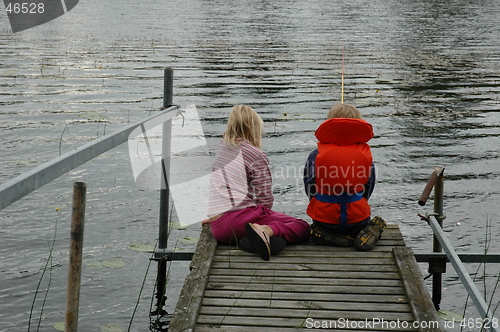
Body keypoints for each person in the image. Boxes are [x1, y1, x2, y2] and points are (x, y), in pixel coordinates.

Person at [203, 105, 310, 260]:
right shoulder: (256, 155)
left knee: (250, 224)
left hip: (218, 226)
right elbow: (265, 199)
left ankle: (251, 241)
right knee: (302, 226)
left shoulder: (223, 147)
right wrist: (264, 217)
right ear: (255, 129)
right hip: (237, 221)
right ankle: (265, 231)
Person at [303, 103, 386, 251]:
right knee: (376, 221)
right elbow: (369, 186)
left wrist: (319, 203)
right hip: (357, 220)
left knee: (316, 229)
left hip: (324, 219)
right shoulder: (365, 155)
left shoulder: (316, 155)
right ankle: (369, 231)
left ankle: (325, 235)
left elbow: (310, 185)